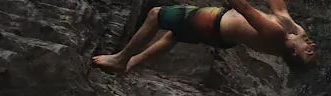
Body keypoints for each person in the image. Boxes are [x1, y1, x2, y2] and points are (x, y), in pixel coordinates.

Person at [91, 0, 317, 74]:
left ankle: (121, 59)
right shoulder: (287, 32)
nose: (312, 44)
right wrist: (299, 33)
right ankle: (133, 63)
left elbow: (241, 6)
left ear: (294, 52)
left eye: (308, 51)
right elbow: (280, 10)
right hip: (222, 36)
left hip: (213, 23)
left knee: (155, 15)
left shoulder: (276, 34)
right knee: (173, 37)